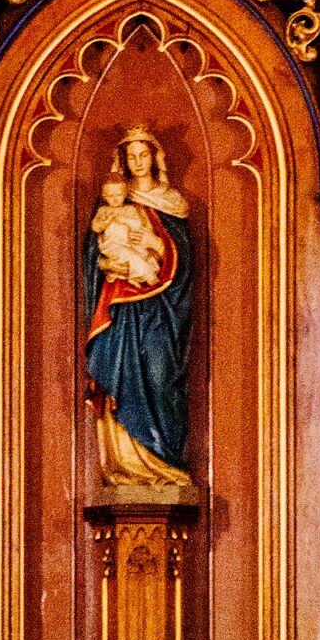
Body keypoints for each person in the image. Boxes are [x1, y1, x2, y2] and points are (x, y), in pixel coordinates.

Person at [85, 127, 196, 499]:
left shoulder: (172, 202)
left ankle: (163, 460)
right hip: (121, 307)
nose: (137, 162)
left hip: (161, 310)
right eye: (130, 156)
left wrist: (154, 243)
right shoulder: (114, 203)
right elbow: (92, 254)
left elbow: (185, 261)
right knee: (121, 376)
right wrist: (106, 259)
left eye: (143, 155)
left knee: (161, 376)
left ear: (154, 157)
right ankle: (124, 463)